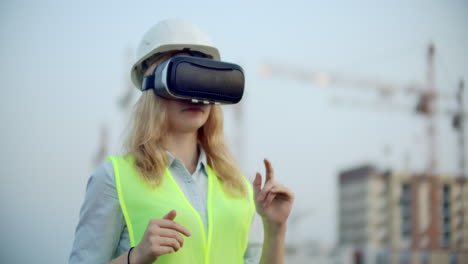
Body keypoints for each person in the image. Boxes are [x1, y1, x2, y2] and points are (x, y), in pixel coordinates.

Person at [69, 19, 294, 264]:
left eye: (203, 79)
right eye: (184, 77)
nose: (195, 96)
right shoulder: (113, 179)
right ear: (152, 86)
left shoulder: (240, 187)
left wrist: (275, 228)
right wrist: (136, 256)